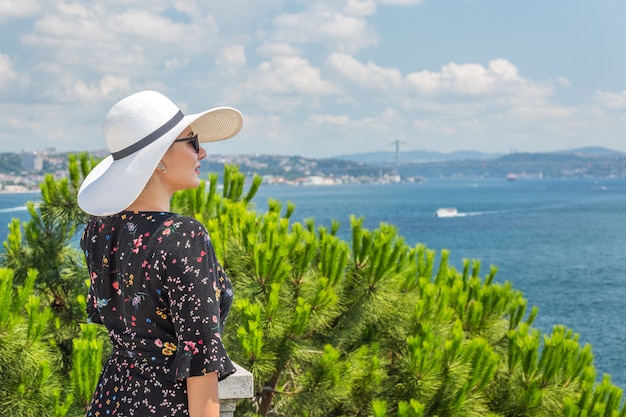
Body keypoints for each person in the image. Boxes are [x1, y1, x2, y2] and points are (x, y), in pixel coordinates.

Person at [77, 90, 243, 416]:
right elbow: (199, 360)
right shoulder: (183, 235)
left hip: (111, 400)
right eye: (193, 142)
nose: (203, 152)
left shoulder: (97, 232)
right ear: (160, 157)